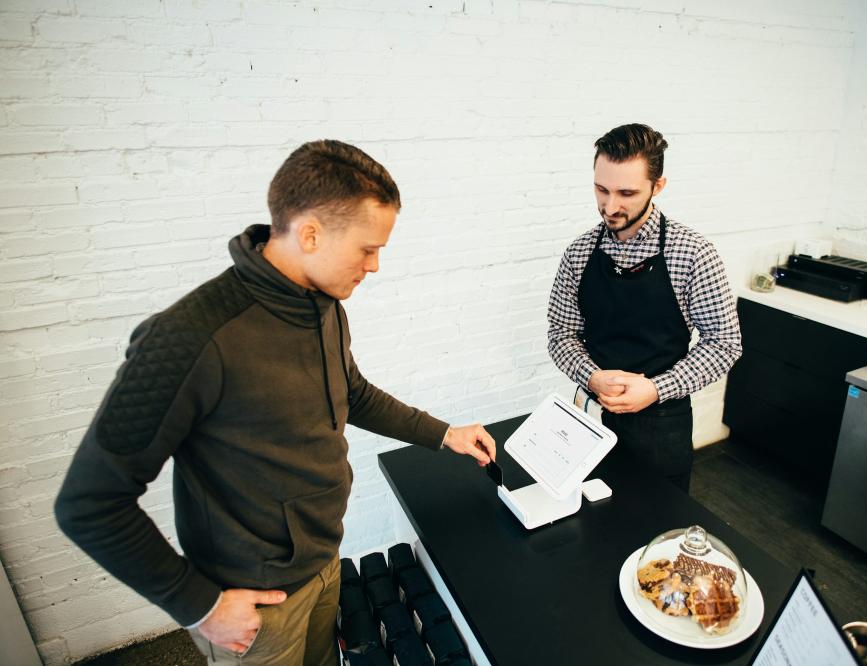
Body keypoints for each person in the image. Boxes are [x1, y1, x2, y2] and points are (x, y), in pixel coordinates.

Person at [54, 139, 496, 665]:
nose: (375, 266)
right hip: (254, 603)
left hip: (324, 559)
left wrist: (444, 433)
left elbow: (351, 392)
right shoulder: (188, 339)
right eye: (367, 248)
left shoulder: (324, 304)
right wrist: (198, 605)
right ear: (310, 233)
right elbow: (88, 504)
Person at [546, 123, 741, 493]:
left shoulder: (693, 253)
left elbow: (724, 343)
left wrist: (655, 388)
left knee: (654, 531)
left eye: (627, 192)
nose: (610, 206)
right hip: (590, 418)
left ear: (658, 186)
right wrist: (591, 376)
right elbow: (561, 334)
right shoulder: (579, 252)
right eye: (601, 189)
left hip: (661, 427)